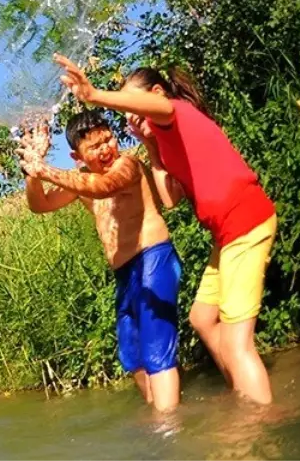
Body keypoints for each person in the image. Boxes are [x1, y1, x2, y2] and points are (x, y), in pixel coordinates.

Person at [54, 54, 277, 405]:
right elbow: (170, 199)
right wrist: (149, 143)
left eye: (135, 109)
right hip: (228, 234)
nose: (131, 118)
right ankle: (240, 393)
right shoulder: (164, 138)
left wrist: (94, 94)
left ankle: (257, 422)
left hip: (245, 222)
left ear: (156, 94)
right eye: (129, 118)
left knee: (237, 345)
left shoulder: (175, 111)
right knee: (202, 319)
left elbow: (152, 107)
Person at [17, 110, 184, 411]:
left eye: (108, 139)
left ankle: (169, 428)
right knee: (133, 357)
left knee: (157, 351)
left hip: (154, 259)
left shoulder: (126, 165)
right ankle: (161, 421)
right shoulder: (80, 179)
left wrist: (45, 169)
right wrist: (31, 173)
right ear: (76, 155)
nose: (105, 149)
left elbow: (105, 187)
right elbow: (40, 205)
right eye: (94, 147)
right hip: (124, 275)